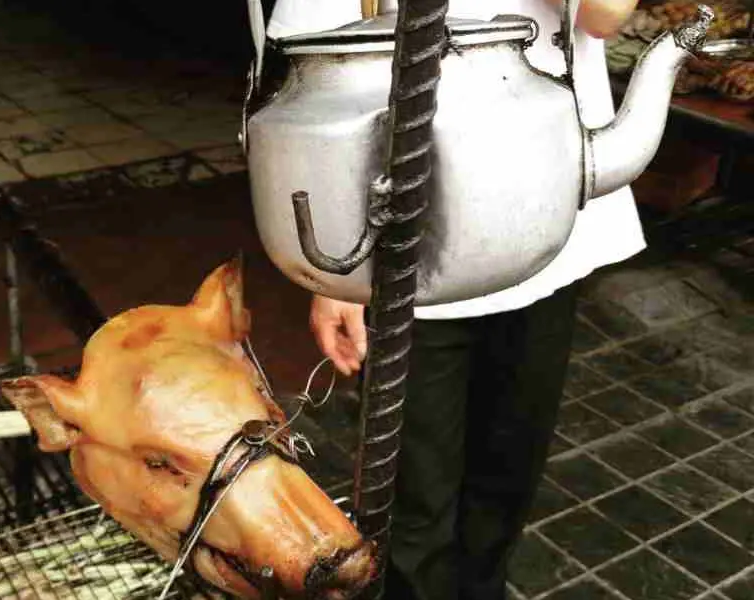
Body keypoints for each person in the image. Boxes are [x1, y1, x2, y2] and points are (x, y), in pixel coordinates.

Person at [266, 1, 644, 598]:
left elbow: (603, 17)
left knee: (507, 473)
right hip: (406, 260)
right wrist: (328, 281)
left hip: (544, 234)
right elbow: (308, 84)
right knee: (415, 497)